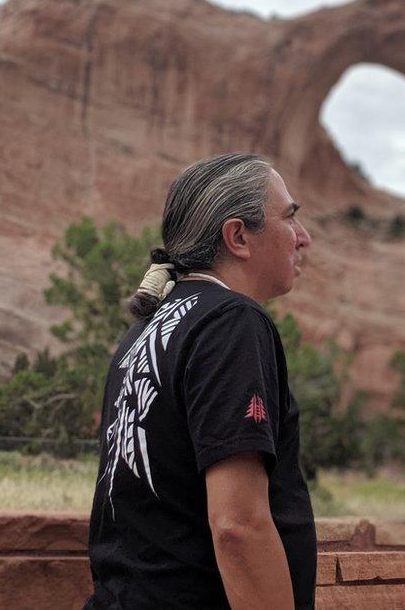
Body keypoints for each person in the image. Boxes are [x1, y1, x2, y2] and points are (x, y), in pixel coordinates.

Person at [85, 153, 316, 609]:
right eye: (290, 218)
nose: (303, 238)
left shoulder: (145, 330)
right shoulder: (233, 322)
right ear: (238, 236)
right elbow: (238, 524)